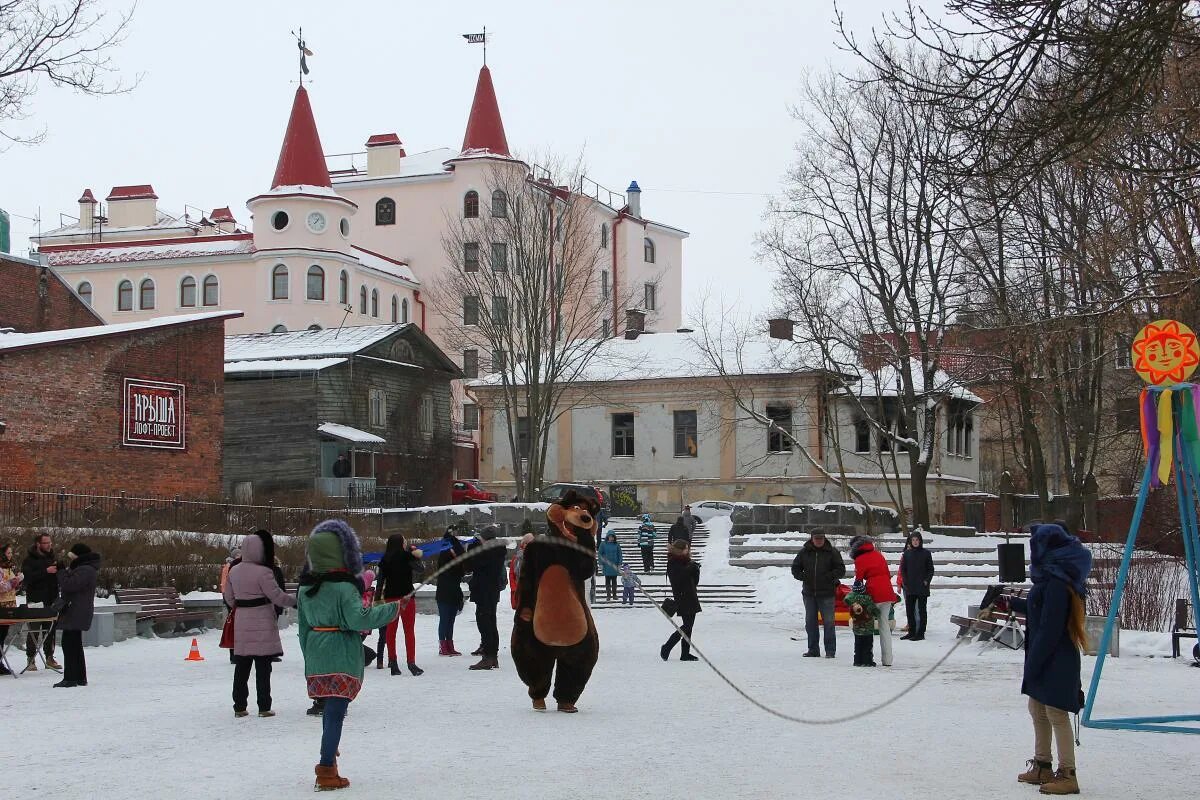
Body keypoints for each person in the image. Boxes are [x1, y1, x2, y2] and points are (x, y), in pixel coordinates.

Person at [298, 519, 400, 790]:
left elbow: (302, 629)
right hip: (340, 652)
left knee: (330, 712)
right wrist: (392, 608)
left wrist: (309, 657)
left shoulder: (306, 589)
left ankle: (329, 759)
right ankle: (326, 768)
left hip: (317, 653)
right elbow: (358, 619)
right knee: (335, 713)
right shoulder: (344, 587)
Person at [1002, 524, 1092, 795]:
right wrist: (1008, 602)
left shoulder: (1057, 583)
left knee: (1055, 712)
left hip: (1056, 658)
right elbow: (1036, 607)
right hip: (1045, 656)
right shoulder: (1050, 578)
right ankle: (1042, 763)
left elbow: (1051, 629)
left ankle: (1068, 773)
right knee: (1037, 708)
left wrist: (1034, 664)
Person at [222, 530, 296, 717]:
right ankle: (264, 706)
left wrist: (241, 607)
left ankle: (239, 706)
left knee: (242, 667)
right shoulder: (264, 572)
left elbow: (228, 597)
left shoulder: (234, 570)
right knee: (263, 668)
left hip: (242, 620)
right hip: (263, 620)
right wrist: (296, 600)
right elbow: (277, 597)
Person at [790, 528, 846, 658]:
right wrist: (804, 577)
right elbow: (795, 568)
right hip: (809, 593)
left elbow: (841, 569)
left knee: (829, 623)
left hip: (827, 594)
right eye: (817, 538)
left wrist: (829, 577)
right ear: (812, 539)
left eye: (821, 538)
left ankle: (830, 651)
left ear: (824, 538)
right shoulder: (804, 552)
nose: (819, 541)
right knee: (810, 622)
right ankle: (813, 649)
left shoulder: (832, 552)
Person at [378, 533, 424, 676]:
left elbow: (380, 582)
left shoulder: (385, 559)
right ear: (401, 543)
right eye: (404, 541)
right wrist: (414, 553)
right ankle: (411, 662)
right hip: (407, 598)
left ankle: (393, 662)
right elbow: (420, 569)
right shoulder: (407, 556)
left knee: (391, 631)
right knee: (409, 631)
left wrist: (376, 600)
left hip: (390, 599)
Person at [55, 543, 100, 688]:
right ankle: (79, 677)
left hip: (76, 610)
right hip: (77, 609)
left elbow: (70, 585)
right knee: (74, 644)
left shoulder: (85, 569)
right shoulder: (86, 568)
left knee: (69, 644)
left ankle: (70, 678)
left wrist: (61, 571)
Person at [849, 535, 898, 667]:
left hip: (873, 592)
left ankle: (865, 657)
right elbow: (887, 574)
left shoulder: (859, 559)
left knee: (866, 625)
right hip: (887, 591)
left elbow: (858, 581)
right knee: (884, 626)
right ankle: (887, 660)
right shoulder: (878, 554)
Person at [466, 526, 507, 670]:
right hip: (491, 591)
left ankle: (488, 657)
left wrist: (472, 547)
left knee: (485, 624)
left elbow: (471, 563)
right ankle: (492, 656)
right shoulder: (497, 550)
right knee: (491, 622)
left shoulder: (488, 552)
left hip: (484, 591)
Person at [21, 532, 61, 672]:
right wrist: (46, 571)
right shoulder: (29, 560)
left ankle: (49, 657)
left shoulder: (52, 558)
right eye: (46, 543)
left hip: (51, 599)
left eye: (50, 542)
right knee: (34, 629)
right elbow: (27, 578)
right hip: (35, 599)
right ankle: (30, 658)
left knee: (50, 629)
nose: (49, 545)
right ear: (38, 544)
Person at [660, 540, 701, 662]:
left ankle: (685, 653)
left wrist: (696, 570)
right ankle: (667, 646)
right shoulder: (673, 562)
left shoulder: (687, 562)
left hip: (691, 596)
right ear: (680, 549)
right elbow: (677, 579)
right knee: (687, 626)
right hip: (682, 597)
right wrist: (690, 568)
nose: (688, 550)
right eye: (686, 548)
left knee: (689, 626)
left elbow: (694, 581)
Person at [898, 532, 935, 641]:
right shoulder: (907, 554)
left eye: (917, 540)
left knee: (921, 610)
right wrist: (905, 581)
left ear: (920, 541)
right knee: (909, 610)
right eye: (913, 540)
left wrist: (926, 581)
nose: (915, 542)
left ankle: (920, 633)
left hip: (922, 586)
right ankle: (911, 631)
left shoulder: (926, 553)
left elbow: (930, 570)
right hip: (910, 586)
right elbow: (903, 570)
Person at [436, 528, 467, 656]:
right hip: (444, 591)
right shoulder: (444, 552)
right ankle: (443, 645)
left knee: (451, 620)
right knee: (444, 619)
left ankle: (449, 644)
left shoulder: (458, 550)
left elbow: (461, 571)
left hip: (454, 590)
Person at [0, 542, 23, 675]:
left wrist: (18, 581)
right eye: (8, 553)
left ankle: (0, 661)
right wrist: (15, 581)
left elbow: (11, 586)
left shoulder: (9, 567)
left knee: (3, 635)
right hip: (1, 606)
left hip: (9, 605)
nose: (10, 556)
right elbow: (2, 587)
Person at [845, 579, 879, 667]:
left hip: (857, 629)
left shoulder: (852, 602)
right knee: (867, 646)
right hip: (868, 629)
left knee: (858, 645)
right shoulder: (868, 599)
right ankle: (867, 661)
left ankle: (857, 661)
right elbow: (876, 611)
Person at [598, 532, 623, 601]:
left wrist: (620, 563)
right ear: (607, 537)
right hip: (607, 565)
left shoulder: (617, 544)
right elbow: (600, 554)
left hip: (614, 565)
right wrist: (600, 563)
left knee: (614, 581)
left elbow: (620, 554)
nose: (611, 538)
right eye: (610, 536)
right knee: (607, 581)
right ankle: (608, 595)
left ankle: (614, 595)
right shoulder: (603, 544)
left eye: (612, 537)